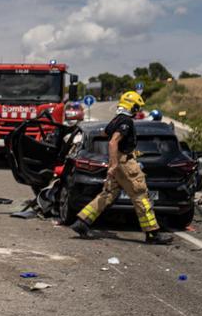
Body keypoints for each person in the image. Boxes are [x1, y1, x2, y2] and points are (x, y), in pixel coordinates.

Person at [69, 91, 174, 244]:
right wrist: (115, 163)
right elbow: (113, 142)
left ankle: (82, 222)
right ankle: (152, 233)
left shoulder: (116, 120)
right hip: (125, 164)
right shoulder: (126, 122)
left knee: (108, 194)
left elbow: (105, 133)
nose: (138, 110)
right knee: (140, 196)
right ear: (131, 106)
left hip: (121, 161)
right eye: (137, 107)